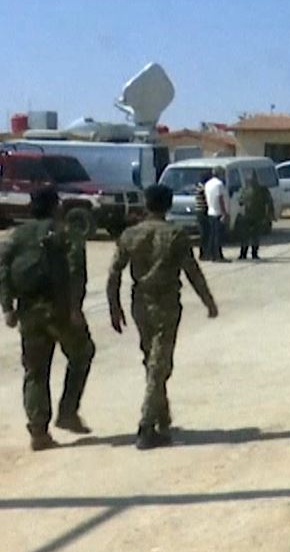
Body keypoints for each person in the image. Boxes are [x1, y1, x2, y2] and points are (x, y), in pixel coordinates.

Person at [107, 184, 218, 450]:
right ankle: (147, 425)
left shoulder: (131, 234)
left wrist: (114, 306)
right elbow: (192, 271)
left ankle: (162, 417)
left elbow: (114, 272)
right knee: (159, 364)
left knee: (153, 360)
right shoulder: (175, 234)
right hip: (166, 304)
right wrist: (208, 301)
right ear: (168, 205)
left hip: (140, 304)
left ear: (146, 204)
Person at [0, 187, 95, 450]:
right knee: (82, 352)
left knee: (35, 371)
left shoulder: (16, 236)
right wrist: (75, 308)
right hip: (59, 309)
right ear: (56, 206)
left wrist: (7, 307)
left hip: (29, 310)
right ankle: (68, 411)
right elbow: (76, 271)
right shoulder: (66, 233)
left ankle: (38, 431)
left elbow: (3, 270)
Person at [237, 172, 272, 261]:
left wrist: (267, 215)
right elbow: (268, 203)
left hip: (253, 216)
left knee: (249, 236)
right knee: (252, 236)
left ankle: (246, 253)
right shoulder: (262, 190)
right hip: (253, 216)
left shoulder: (246, 190)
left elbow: (240, 202)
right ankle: (250, 253)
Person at [203, 167, 229, 262]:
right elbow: (220, 199)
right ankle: (218, 256)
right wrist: (224, 213)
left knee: (212, 235)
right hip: (218, 212)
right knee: (218, 236)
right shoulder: (219, 184)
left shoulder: (208, 184)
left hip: (210, 211)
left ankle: (212, 254)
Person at [194, 172, 212, 260]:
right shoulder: (202, 188)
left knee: (204, 233)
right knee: (205, 233)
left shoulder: (199, 186)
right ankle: (204, 253)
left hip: (200, 211)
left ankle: (205, 252)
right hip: (202, 211)